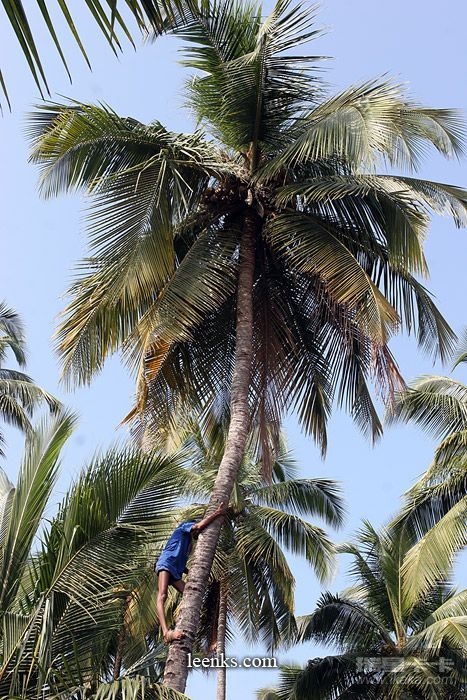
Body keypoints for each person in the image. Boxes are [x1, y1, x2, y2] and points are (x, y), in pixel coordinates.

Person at [155, 501, 226, 643]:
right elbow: (198, 526)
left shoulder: (187, 544)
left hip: (175, 570)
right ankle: (166, 632)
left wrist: (193, 573)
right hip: (166, 563)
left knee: (189, 593)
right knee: (162, 595)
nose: (198, 532)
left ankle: (182, 621)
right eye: (196, 531)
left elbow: (181, 563)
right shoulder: (183, 527)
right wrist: (217, 513)